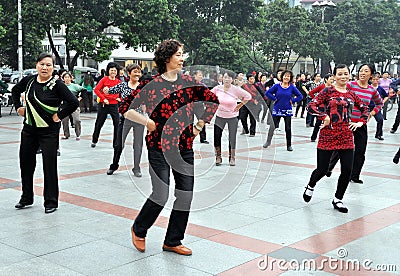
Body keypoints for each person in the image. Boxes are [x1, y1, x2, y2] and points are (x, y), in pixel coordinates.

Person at [124, 39, 219, 256]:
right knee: (161, 193)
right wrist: (146, 122)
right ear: (167, 58)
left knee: (185, 195)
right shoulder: (151, 83)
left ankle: (173, 241)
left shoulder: (188, 81)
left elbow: (212, 100)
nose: (182, 58)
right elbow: (126, 107)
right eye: (178, 54)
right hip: (158, 147)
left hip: (184, 147)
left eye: (182, 54)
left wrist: (199, 125)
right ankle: (139, 229)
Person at [11, 53, 79, 213]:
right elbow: (15, 90)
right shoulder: (29, 81)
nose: (44, 67)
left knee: (49, 166)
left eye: (48, 65)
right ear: (37, 65)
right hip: (29, 130)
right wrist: (18, 107)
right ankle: (26, 197)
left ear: (53, 67)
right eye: (42, 64)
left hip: (49, 132)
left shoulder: (57, 84)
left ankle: (51, 202)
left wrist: (60, 115)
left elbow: (73, 102)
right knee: (26, 164)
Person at [303, 64, 369, 213]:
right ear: (334, 76)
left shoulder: (351, 94)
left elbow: (365, 108)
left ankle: (338, 199)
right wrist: (324, 116)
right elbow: (311, 105)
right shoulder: (328, 91)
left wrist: (360, 122)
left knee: (347, 170)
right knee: (322, 169)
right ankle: (311, 184)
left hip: (346, 135)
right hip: (328, 134)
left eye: (346, 74)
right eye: (340, 74)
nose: (343, 77)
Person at [326, 64, 383, 183]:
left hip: (360, 124)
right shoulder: (350, 85)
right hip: (346, 122)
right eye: (361, 70)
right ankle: (328, 168)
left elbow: (379, 103)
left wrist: (371, 113)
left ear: (371, 75)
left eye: (365, 71)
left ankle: (354, 175)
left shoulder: (372, 90)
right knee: (339, 148)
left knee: (360, 150)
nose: (362, 73)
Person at [106, 64, 147, 177]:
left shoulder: (143, 87)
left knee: (138, 145)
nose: (137, 74)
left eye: (139, 72)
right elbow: (109, 91)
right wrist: (106, 90)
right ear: (129, 73)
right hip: (125, 119)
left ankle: (136, 168)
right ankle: (114, 165)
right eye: (135, 71)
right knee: (119, 144)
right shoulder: (123, 85)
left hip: (139, 119)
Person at [212, 71, 251, 166]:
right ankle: (218, 156)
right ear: (222, 78)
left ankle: (232, 157)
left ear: (232, 80)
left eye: (229, 78)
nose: (227, 79)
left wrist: (240, 105)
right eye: (225, 77)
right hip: (220, 116)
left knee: (232, 137)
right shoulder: (218, 88)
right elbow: (208, 95)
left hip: (232, 117)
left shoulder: (236, 89)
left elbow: (248, 96)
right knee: (217, 136)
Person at [264, 70, 303, 151]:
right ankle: (268, 142)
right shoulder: (277, 86)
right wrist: (274, 98)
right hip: (277, 109)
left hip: (287, 110)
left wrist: (293, 100)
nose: (286, 77)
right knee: (272, 127)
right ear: (282, 77)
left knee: (288, 128)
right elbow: (268, 93)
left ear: (290, 78)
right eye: (285, 76)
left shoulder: (292, 87)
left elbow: (300, 96)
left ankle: (289, 145)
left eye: (288, 76)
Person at [91, 62, 121, 148]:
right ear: (108, 71)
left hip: (114, 105)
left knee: (117, 123)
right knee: (99, 123)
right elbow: (96, 90)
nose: (113, 72)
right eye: (111, 70)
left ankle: (116, 143)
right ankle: (94, 140)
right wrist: (103, 99)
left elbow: (121, 93)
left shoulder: (118, 82)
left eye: (115, 70)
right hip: (104, 104)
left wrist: (120, 98)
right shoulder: (104, 79)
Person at [309, 73, 334, 142]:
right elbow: (311, 92)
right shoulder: (321, 86)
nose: (332, 81)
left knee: (329, 122)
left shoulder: (333, 88)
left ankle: (328, 138)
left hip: (330, 108)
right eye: (330, 79)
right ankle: (313, 137)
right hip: (321, 107)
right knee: (318, 123)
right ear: (326, 79)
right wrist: (316, 100)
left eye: (333, 79)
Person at [61, 72, 86, 140]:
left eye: (68, 77)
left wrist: (79, 98)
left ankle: (78, 134)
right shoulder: (61, 86)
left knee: (77, 120)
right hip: (64, 106)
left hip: (74, 105)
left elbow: (84, 90)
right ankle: (66, 135)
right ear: (63, 79)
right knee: (64, 121)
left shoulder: (75, 86)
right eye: (65, 77)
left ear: (71, 78)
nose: (67, 79)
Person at [193, 70, 209, 144]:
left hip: (199, 105)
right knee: (189, 122)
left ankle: (203, 138)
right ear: (194, 76)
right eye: (199, 75)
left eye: (201, 75)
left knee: (202, 121)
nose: (201, 77)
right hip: (190, 105)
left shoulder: (203, 85)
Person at [370, 73, 388, 140]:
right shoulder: (368, 87)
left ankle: (378, 135)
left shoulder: (380, 88)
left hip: (376, 108)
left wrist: (383, 101)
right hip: (367, 107)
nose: (375, 81)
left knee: (380, 119)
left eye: (376, 79)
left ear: (379, 80)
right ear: (371, 80)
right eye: (373, 79)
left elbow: (386, 96)